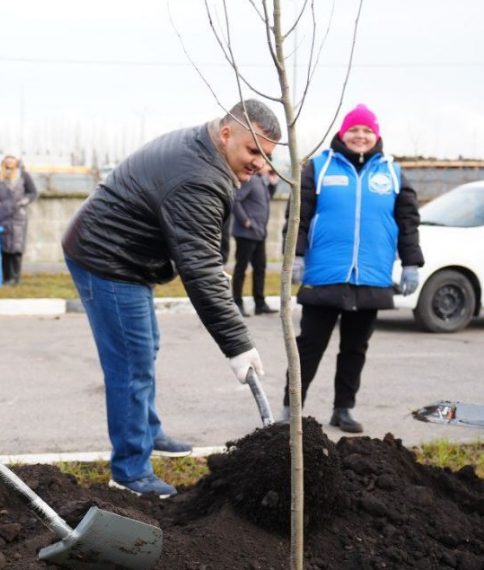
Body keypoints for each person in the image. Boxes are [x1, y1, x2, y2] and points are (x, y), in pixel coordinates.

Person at [62, 100, 280, 498]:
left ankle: (146, 429)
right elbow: (199, 268)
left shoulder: (204, 146)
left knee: (145, 348)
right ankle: (129, 473)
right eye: (254, 151)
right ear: (227, 133)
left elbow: (203, 253)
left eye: (267, 156)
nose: (260, 164)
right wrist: (238, 344)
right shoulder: (197, 175)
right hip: (106, 258)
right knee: (132, 362)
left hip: (123, 255)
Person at [285, 104, 424, 434]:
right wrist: (296, 257)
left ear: (376, 135)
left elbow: (407, 222)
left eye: (366, 131)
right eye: (354, 130)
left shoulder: (392, 172)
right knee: (309, 347)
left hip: (371, 277)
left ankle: (343, 409)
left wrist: (411, 264)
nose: (360, 136)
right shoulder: (318, 167)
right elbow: (297, 217)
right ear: (342, 134)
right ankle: (291, 410)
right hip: (324, 275)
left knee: (355, 348)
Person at [231, 167, 277, 316]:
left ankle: (260, 303)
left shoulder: (260, 182)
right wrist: (245, 221)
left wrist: (272, 185)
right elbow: (235, 200)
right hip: (246, 233)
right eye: (267, 164)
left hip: (259, 234)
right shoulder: (250, 180)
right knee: (241, 269)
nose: (269, 167)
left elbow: (264, 200)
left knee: (260, 268)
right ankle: (237, 303)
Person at [0, 155, 37, 285]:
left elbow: (32, 193)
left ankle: (15, 278)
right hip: (2, 216)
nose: (9, 161)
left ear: (16, 161)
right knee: (4, 248)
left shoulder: (24, 176)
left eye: (12, 158)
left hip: (18, 217)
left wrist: (23, 202)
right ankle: (5, 277)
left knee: (16, 249)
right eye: (7, 158)